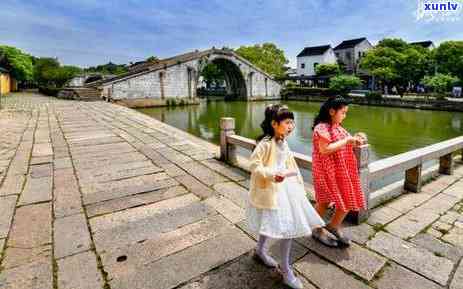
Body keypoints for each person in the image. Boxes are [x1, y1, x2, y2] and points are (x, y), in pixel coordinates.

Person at [247, 104, 335, 289]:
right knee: (284, 226)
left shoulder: (282, 141)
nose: (291, 126)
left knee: (279, 224)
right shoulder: (265, 144)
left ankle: (263, 252)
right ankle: (285, 269)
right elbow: (254, 166)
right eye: (287, 122)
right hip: (272, 189)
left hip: (286, 189)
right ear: (274, 123)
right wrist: (272, 174)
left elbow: (290, 164)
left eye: (292, 122)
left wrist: (298, 184)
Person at [311, 96, 367, 248]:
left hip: (341, 171)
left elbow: (346, 141)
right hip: (325, 171)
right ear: (331, 111)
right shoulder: (321, 128)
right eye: (343, 112)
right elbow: (325, 149)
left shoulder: (338, 127)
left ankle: (333, 226)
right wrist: (348, 141)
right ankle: (316, 229)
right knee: (324, 202)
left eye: (346, 113)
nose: (344, 116)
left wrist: (357, 138)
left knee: (348, 199)